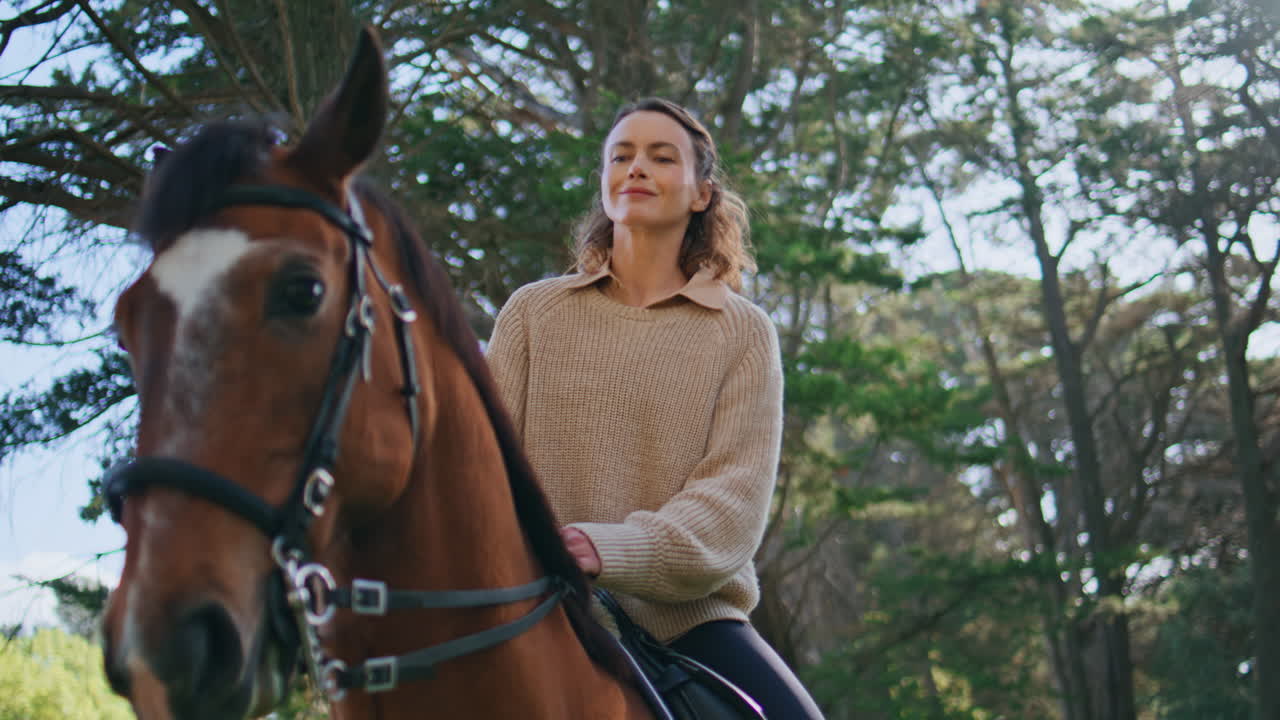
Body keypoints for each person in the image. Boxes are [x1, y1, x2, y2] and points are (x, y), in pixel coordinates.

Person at [486, 97, 824, 719]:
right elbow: (478, 467)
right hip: (530, 612)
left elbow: (732, 503)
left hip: (686, 623)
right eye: (622, 155)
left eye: (661, 157)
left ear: (701, 194)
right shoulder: (532, 314)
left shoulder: (742, 331)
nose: (637, 167)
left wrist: (607, 548)